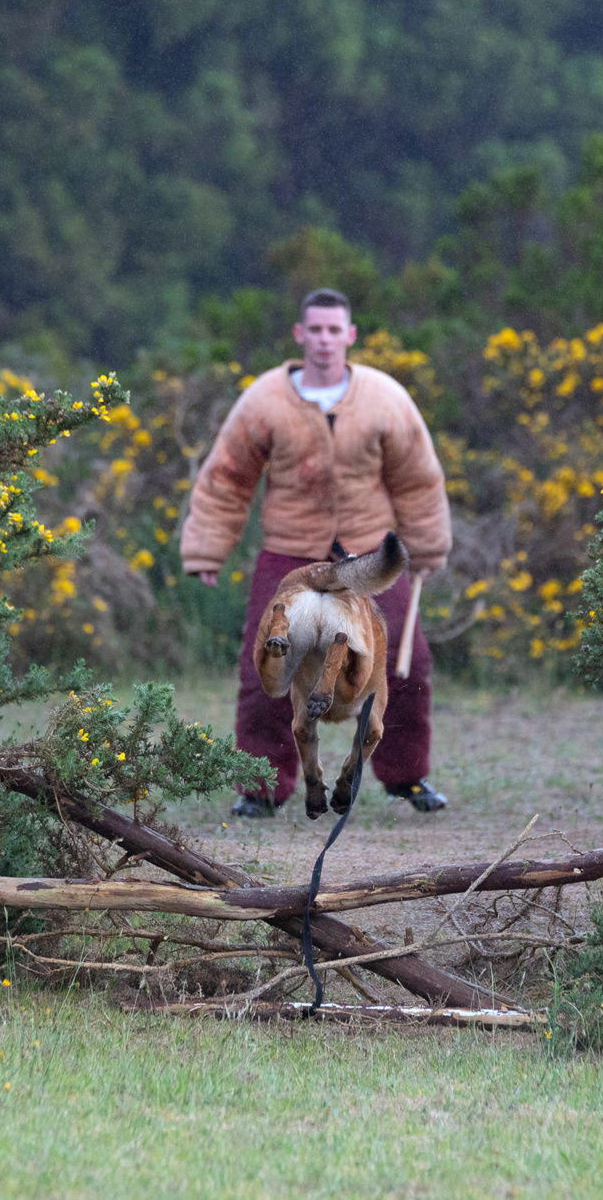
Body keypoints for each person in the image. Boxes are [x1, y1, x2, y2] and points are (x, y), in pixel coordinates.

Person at [180, 288, 452, 816]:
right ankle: (261, 788)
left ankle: (406, 776)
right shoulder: (264, 399)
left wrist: (428, 545)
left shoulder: (385, 397)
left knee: (407, 666)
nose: (325, 340)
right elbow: (226, 477)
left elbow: (418, 479)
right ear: (300, 335)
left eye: (335, 330)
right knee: (263, 671)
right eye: (316, 330)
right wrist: (207, 549)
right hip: (290, 553)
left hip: (372, 554)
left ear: (349, 336)